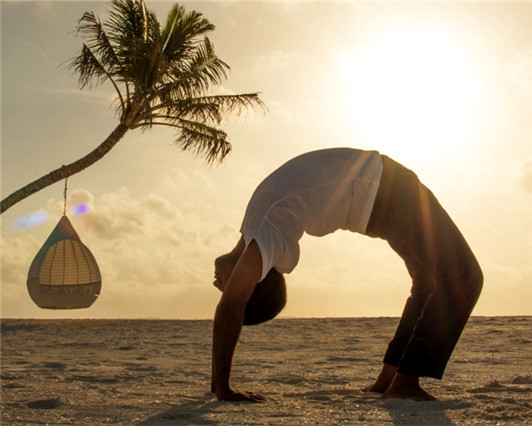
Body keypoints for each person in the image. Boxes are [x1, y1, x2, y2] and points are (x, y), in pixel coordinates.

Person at [211, 148, 483, 402]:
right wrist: (223, 389)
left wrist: (218, 387)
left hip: (379, 191)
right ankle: (405, 382)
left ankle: (390, 380)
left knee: (426, 283)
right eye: (230, 286)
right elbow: (231, 306)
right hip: (384, 190)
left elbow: (233, 303)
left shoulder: (255, 225)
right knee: (464, 276)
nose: (218, 284)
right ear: (256, 280)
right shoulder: (271, 232)